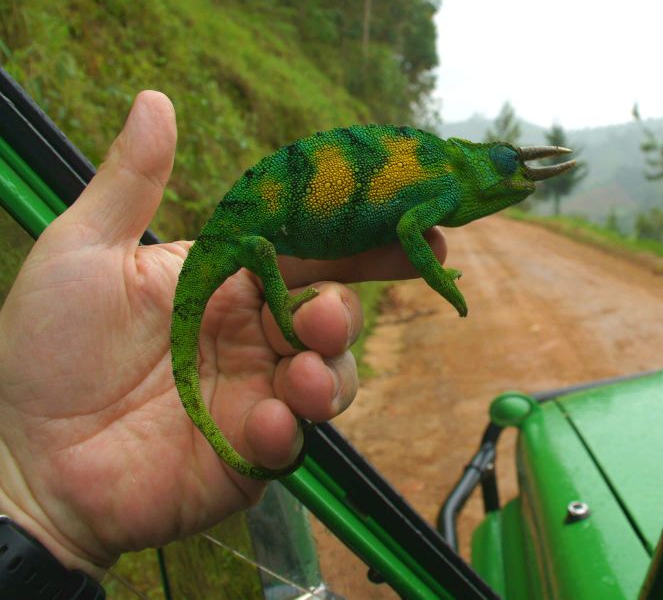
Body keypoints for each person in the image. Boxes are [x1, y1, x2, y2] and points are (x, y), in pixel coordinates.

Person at [0, 92, 445, 585]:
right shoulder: (432, 173)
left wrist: (45, 514)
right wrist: (28, 489)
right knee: (262, 262)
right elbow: (256, 245)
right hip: (245, 235)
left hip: (255, 233)